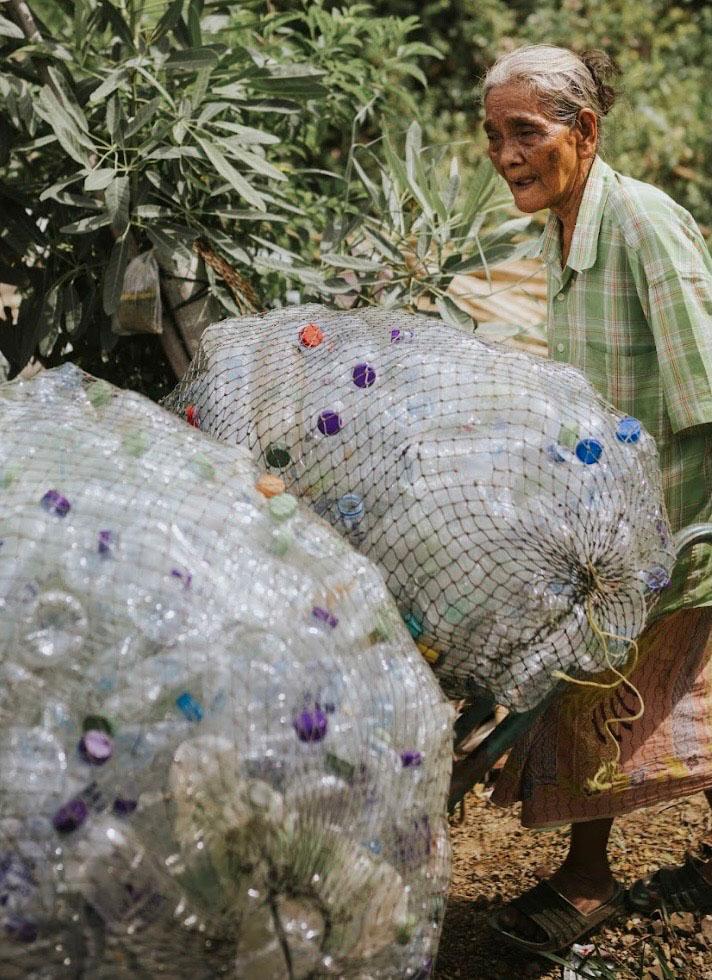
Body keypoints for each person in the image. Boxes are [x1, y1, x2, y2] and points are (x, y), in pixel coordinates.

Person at [481, 43, 712, 953]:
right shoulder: (563, 229)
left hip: (675, 522)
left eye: (526, 132)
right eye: (495, 134)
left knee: (619, 692)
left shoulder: (642, 222)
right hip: (619, 524)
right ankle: (592, 875)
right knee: (658, 696)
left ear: (584, 130)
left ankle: (585, 883)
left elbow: (706, 388)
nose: (506, 153)